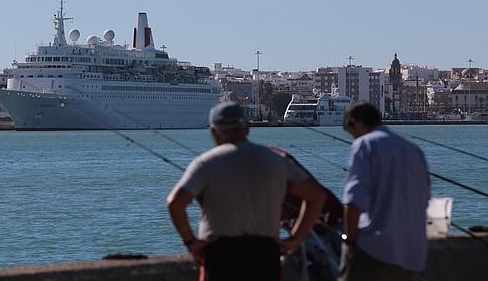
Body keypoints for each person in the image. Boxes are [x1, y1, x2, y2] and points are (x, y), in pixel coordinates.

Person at [167, 101, 326, 281]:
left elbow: (175, 203)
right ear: (247, 129)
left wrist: (191, 242)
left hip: (221, 255)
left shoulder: (205, 164)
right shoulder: (276, 161)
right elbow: (317, 195)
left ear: (214, 132)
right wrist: (296, 239)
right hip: (265, 254)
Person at [339, 102, 431, 281]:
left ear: (354, 123)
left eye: (350, 132)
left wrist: (349, 241)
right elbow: (425, 198)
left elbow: (354, 200)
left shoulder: (364, 144)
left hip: (377, 249)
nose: (353, 137)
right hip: (412, 252)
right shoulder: (414, 150)